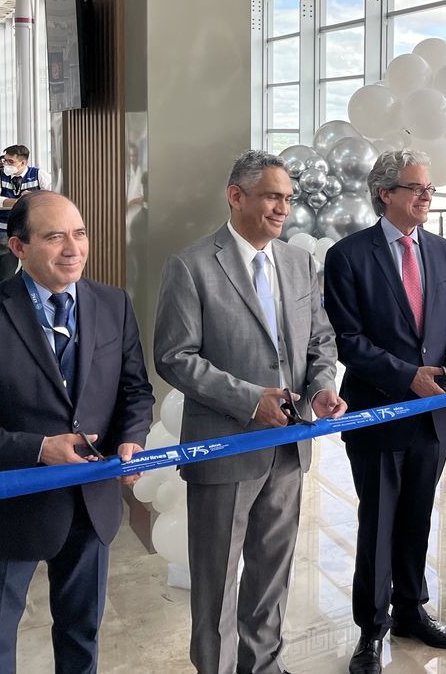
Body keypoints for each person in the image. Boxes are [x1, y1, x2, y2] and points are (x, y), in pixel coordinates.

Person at [0, 191, 154, 672]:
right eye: (54, 237)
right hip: (7, 507)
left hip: (91, 503)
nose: (73, 248)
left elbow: (136, 391)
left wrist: (131, 437)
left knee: (82, 634)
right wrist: (39, 449)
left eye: (79, 233)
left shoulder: (113, 304)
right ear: (19, 247)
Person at [154, 150, 346, 674]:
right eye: (271, 196)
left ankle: (263, 665)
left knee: (272, 573)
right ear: (236, 196)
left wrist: (323, 386)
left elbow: (321, 341)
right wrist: (248, 400)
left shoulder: (299, 262)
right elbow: (174, 357)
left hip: (290, 445)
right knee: (216, 580)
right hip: (226, 447)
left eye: (287, 198)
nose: (283, 208)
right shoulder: (191, 265)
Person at [323, 150, 446, 673]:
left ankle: (412, 609)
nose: (426, 195)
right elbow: (346, 339)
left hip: (434, 413)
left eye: (429, 187)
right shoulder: (348, 255)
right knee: (379, 524)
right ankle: (371, 631)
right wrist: (404, 376)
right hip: (377, 412)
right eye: (415, 187)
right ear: (384, 193)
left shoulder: (443, 252)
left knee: (418, 517)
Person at [0, 144, 52, 283]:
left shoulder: (38, 175)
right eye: (5, 160)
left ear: (23, 163)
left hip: (33, 229)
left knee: (37, 272)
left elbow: (51, 197)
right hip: (4, 230)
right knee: (4, 275)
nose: (6, 164)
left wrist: (32, 197)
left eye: (10, 161)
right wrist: (16, 202)